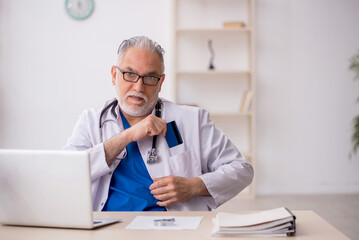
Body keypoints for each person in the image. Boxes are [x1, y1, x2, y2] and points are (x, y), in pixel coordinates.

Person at [63, 36, 254, 211]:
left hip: (170, 229)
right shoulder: (91, 122)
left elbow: (242, 170)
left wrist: (194, 186)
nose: (139, 87)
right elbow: (66, 172)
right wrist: (127, 136)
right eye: (129, 74)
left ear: (161, 82)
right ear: (114, 75)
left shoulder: (191, 120)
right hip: (108, 227)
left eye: (150, 78)